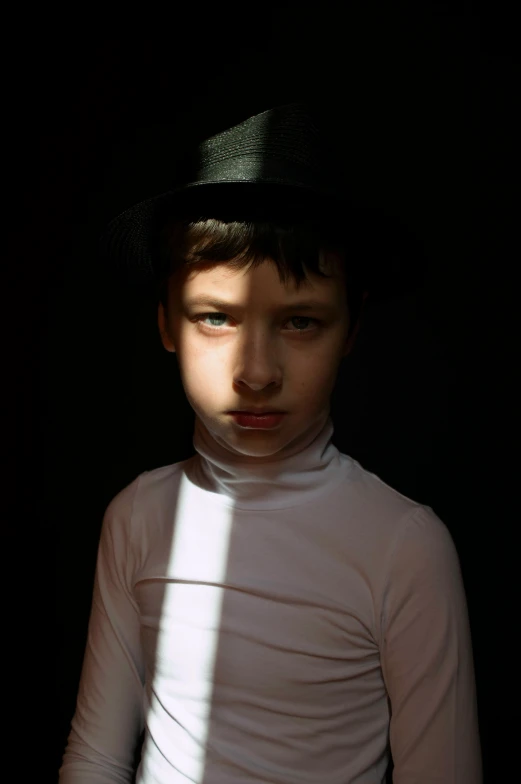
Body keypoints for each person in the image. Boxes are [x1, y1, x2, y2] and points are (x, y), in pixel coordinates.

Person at [58, 104, 482, 783]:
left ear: (350, 327)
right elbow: (98, 755)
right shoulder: (136, 515)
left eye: (300, 322)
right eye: (216, 317)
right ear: (167, 322)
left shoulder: (404, 545)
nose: (256, 373)